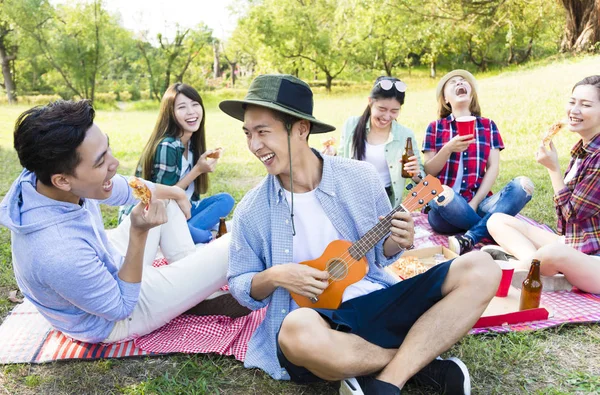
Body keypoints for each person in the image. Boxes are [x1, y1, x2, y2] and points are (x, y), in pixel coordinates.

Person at [221, 74, 501, 394]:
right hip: (318, 323)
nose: (254, 145)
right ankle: (418, 364)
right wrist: (276, 275)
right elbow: (241, 284)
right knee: (294, 333)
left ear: (300, 128)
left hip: (378, 302)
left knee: (482, 267)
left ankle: (385, 381)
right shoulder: (251, 210)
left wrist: (399, 238)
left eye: (263, 132)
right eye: (248, 133)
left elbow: (383, 250)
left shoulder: (359, 177)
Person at [0, 100, 247, 345]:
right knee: (235, 243)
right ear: (62, 180)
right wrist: (138, 234)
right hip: (113, 319)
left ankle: (190, 290)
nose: (114, 163)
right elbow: (120, 307)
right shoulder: (58, 252)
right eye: (100, 162)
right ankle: (189, 289)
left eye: (107, 149)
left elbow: (123, 188)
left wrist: (176, 192)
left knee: (161, 199)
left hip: (107, 260)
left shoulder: (40, 176)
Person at [487, 75, 600, 294]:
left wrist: (553, 169)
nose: (574, 110)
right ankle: (540, 270)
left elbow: (572, 214)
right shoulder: (582, 150)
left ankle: (513, 270)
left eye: (585, 105)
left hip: (595, 257)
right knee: (498, 220)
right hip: (578, 243)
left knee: (554, 253)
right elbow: (565, 226)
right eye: (572, 101)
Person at [422, 69, 534, 255]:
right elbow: (429, 171)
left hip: (479, 204)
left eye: (463, 81)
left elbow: (493, 168)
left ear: (472, 94)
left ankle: (471, 237)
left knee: (522, 186)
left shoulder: (488, 126)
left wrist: (474, 202)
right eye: (453, 82)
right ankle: (491, 230)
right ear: (445, 99)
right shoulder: (435, 128)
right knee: (444, 194)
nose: (460, 83)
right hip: (443, 209)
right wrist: (448, 148)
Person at [123, 82, 234, 244]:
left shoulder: (192, 143)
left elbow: (188, 199)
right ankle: (199, 235)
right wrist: (197, 170)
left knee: (226, 199)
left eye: (195, 104)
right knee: (201, 236)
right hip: (156, 214)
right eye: (182, 107)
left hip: (181, 211)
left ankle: (185, 232)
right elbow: (162, 196)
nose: (191, 112)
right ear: (171, 113)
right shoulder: (167, 145)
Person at [325, 76, 423, 208]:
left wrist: (416, 173)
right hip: (351, 199)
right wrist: (332, 155)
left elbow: (420, 177)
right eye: (382, 109)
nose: (387, 116)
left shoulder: (405, 135)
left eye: (394, 111)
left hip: (386, 201)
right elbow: (341, 164)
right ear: (370, 101)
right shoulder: (352, 125)